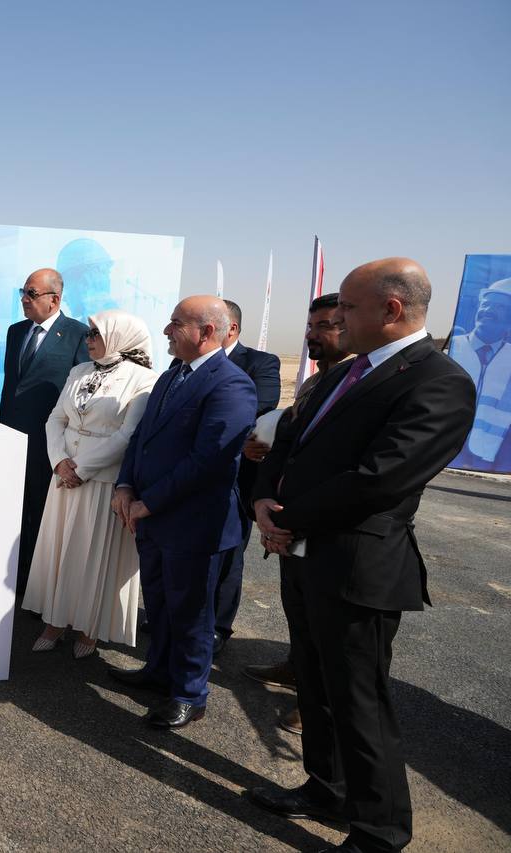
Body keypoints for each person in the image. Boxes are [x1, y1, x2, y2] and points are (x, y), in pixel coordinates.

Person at [248, 258, 477, 853]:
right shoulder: (342, 374)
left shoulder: (438, 381)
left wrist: (287, 518)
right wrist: (264, 499)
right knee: (315, 686)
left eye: (347, 307)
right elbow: (288, 443)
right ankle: (326, 788)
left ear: (391, 309)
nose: (338, 318)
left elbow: (380, 479)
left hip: (356, 567)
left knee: (359, 702)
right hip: (303, 556)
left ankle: (378, 831)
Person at [108, 296, 256, 728]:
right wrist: (125, 485)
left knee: (191, 613)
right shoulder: (173, 374)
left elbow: (208, 459)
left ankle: (190, 693)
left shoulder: (231, 384)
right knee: (159, 603)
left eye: (176, 323)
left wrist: (149, 502)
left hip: (193, 525)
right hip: (151, 518)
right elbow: (142, 438)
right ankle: (159, 671)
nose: (166, 330)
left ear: (206, 332)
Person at [241, 292, 349, 735]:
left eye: (324, 326)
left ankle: (318, 700)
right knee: (298, 607)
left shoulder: (358, 385)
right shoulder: (314, 383)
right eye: (310, 326)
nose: (311, 335)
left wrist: (295, 517)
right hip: (289, 516)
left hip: (325, 523)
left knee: (328, 623)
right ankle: (297, 668)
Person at [22, 311, 156, 658]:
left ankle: (88, 627)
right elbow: (56, 418)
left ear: (119, 337)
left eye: (96, 333)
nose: (88, 339)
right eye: (89, 333)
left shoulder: (143, 379)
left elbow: (128, 434)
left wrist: (82, 469)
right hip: (64, 476)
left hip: (100, 481)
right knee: (59, 551)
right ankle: (54, 621)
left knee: (90, 555)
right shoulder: (79, 371)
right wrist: (59, 461)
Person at [0, 268, 89, 594]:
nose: (24, 299)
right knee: (11, 513)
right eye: (23, 292)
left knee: (41, 516)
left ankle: (38, 588)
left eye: (32, 293)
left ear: (55, 299)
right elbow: (13, 387)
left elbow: (80, 394)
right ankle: (12, 579)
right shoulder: (16, 331)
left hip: (50, 445)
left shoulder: (77, 334)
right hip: (13, 442)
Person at [211, 299, 282, 654]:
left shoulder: (260, 363)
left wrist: (234, 444)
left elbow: (258, 410)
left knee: (227, 556)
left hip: (236, 480)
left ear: (232, 328)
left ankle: (217, 627)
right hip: (191, 478)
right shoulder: (184, 364)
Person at [448, 277, 511, 471]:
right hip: (445, 444)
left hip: (490, 454)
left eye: (499, 307)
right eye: (485, 304)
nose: (488, 310)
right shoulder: (453, 349)